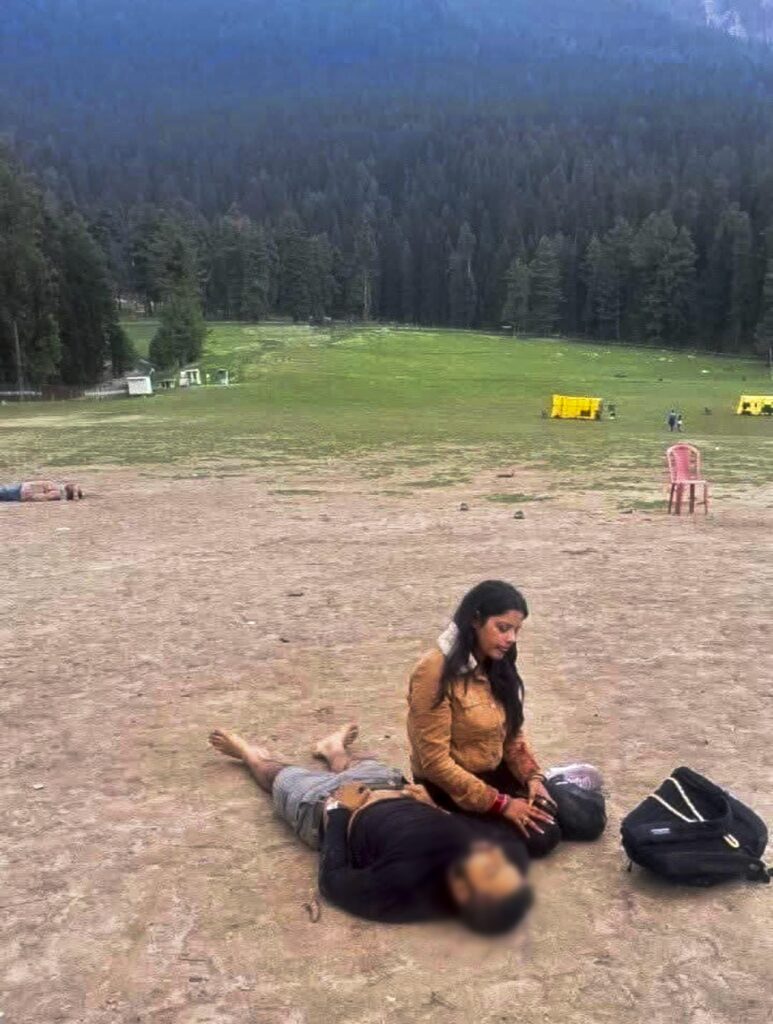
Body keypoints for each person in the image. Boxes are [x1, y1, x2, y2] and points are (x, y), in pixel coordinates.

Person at [208, 722, 534, 934]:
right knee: (354, 769)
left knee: (276, 776)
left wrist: (339, 809)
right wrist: (433, 805)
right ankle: (333, 750)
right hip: (388, 784)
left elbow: (333, 880)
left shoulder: (404, 889)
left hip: (324, 805)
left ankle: (249, 754)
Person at [407, 580, 560, 857]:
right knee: (539, 839)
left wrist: (532, 778)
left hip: (493, 772)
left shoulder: (498, 661)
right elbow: (434, 763)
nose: (511, 638)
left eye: (516, 630)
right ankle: (439, 816)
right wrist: (502, 804)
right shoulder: (433, 672)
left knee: (571, 816)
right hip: (449, 786)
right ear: (475, 620)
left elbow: (512, 733)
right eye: (503, 628)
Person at [0, 480, 82, 502]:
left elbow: (76, 486)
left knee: (3, 491)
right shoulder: (58, 493)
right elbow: (43, 497)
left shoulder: (57, 486)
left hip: (22, 488)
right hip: (22, 492)